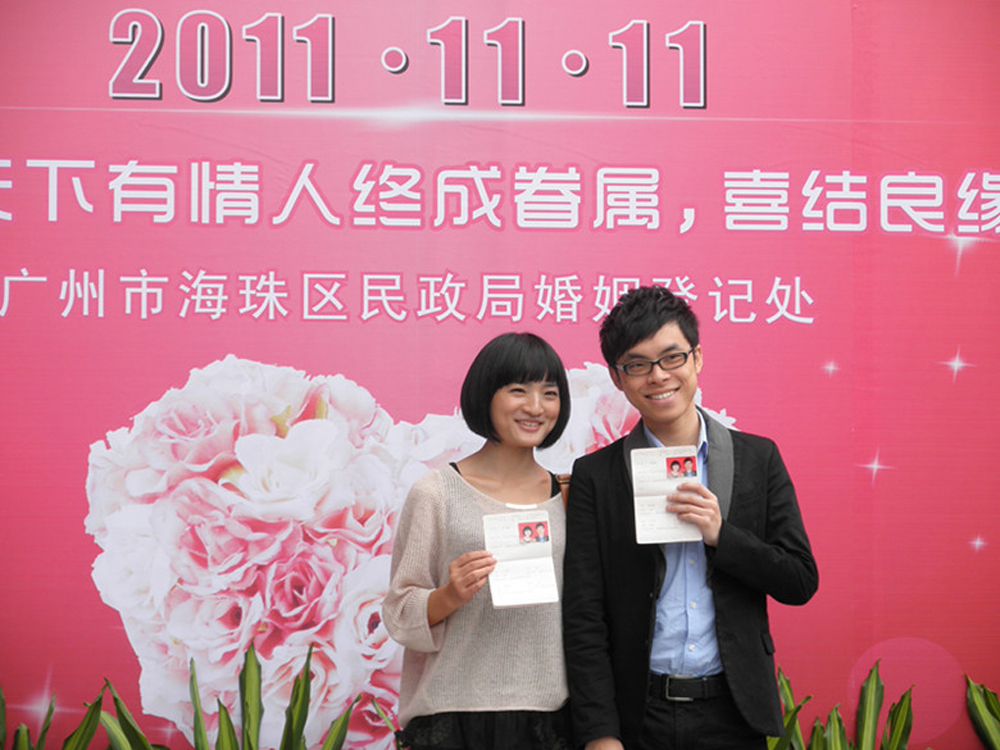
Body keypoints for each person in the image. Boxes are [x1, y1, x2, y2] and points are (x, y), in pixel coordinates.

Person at [562, 286, 818, 750]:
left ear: (697, 358)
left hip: (732, 713)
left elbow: (799, 580)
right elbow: (584, 615)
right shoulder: (596, 476)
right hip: (640, 714)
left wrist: (723, 536)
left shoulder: (757, 458)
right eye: (637, 365)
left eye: (672, 357)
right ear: (617, 378)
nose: (658, 376)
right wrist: (600, 732)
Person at [383, 332, 574, 750]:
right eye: (518, 390)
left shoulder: (569, 497)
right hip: (452, 716)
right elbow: (399, 611)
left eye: (550, 393)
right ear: (485, 395)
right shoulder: (436, 492)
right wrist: (449, 595)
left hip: (549, 718)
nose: (535, 407)